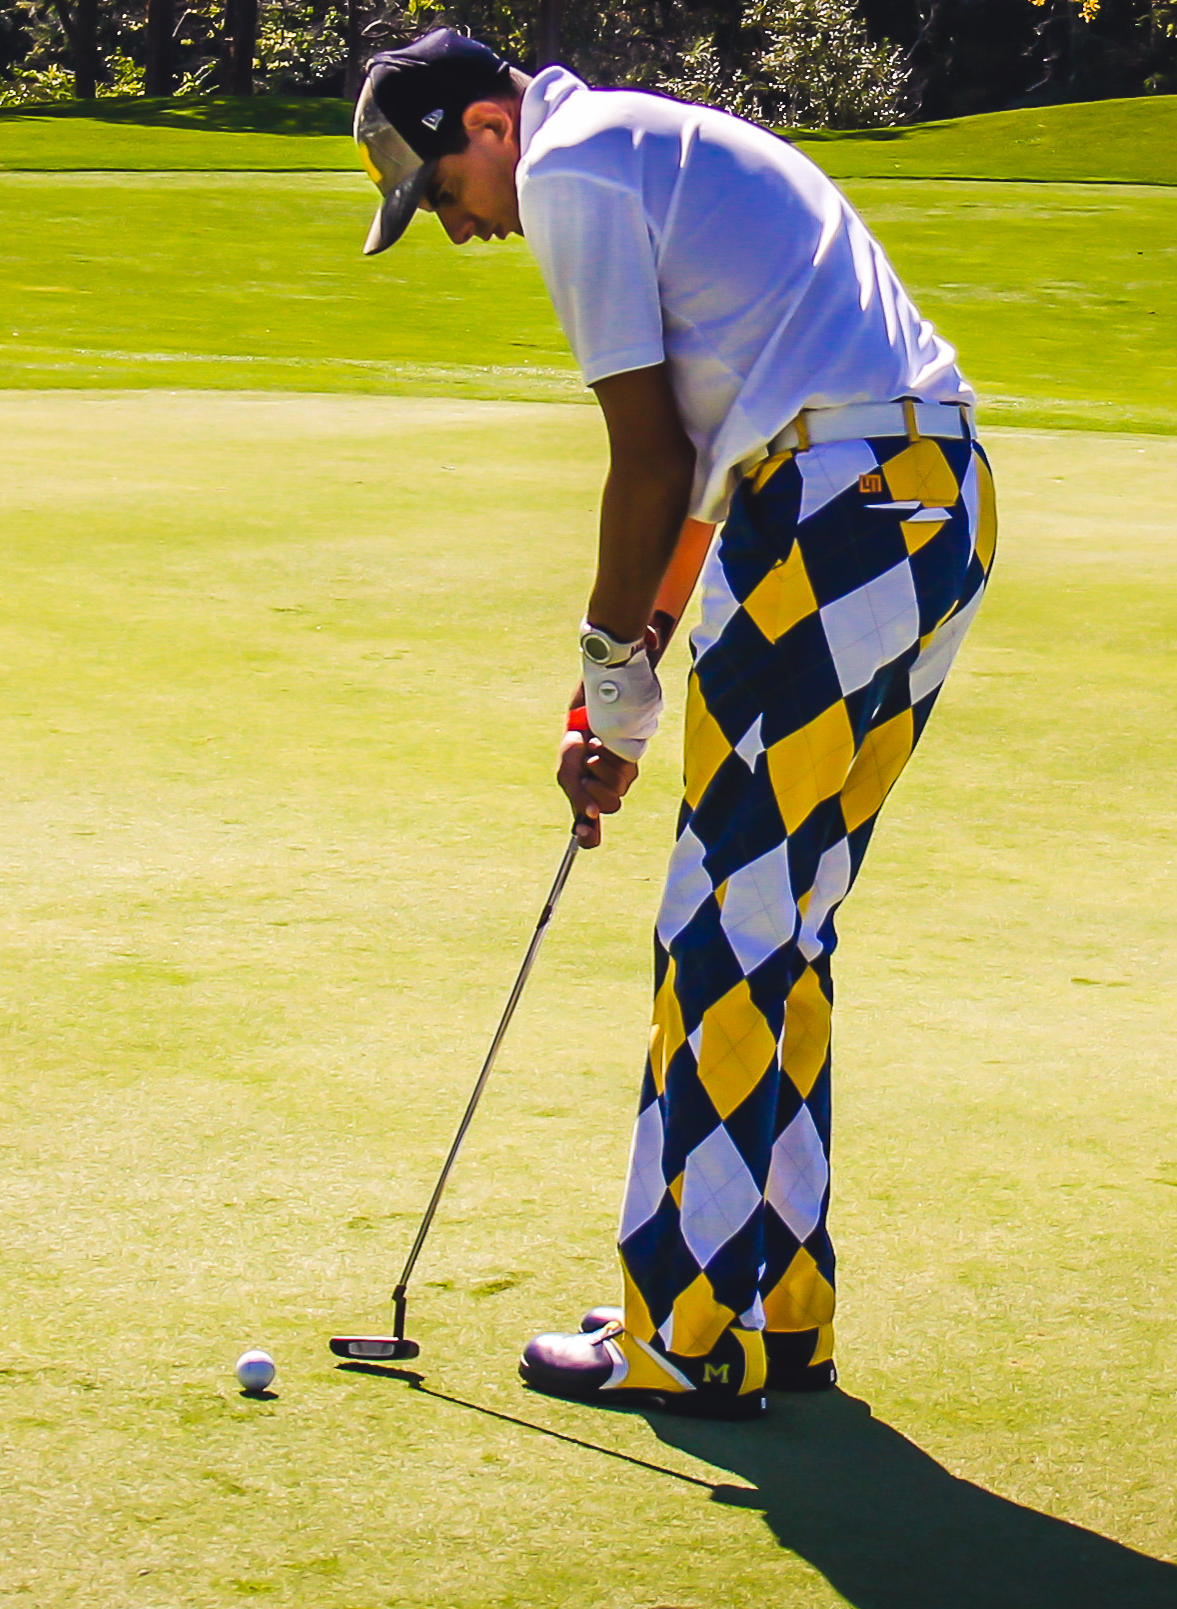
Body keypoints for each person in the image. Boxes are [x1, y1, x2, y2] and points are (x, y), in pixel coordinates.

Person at [352, 30, 996, 1417]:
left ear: (486, 122)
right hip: (920, 505)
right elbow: (700, 491)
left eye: (445, 192)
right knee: (779, 926)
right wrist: (621, 706)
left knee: (719, 930)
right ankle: (770, 1307)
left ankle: (683, 1330)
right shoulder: (645, 150)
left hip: (838, 515)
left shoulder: (575, 169)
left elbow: (643, 460)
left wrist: (600, 672)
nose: (460, 228)